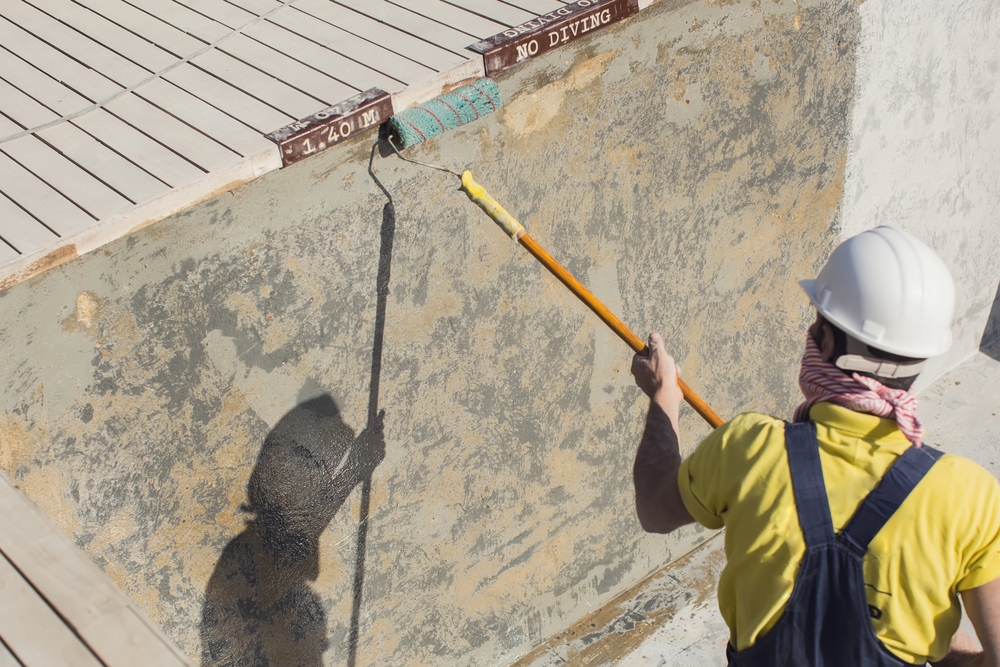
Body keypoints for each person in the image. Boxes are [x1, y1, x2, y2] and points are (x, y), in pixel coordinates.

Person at [630, 226, 1000, 666]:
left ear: (824, 339)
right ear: (922, 356)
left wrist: (663, 398)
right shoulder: (968, 495)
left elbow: (655, 509)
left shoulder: (749, 448)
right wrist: (931, 641)